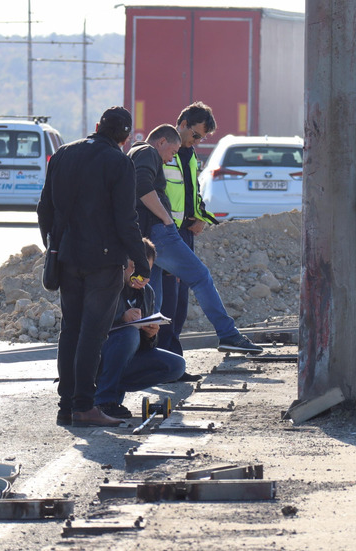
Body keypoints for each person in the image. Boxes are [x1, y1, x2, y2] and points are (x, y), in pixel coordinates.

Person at [37, 106, 152, 428]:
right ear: (126, 138)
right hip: (104, 262)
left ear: (98, 126)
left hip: (66, 257)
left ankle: (66, 406)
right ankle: (85, 406)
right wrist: (141, 261)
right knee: (92, 334)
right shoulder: (119, 162)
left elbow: (44, 207)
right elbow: (126, 219)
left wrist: (53, 245)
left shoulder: (63, 154)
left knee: (70, 330)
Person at [129, 124, 263, 355]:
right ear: (161, 142)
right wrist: (167, 220)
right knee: (200, 277)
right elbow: (142, 186)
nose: (171, 159)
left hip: (147, 234)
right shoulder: (147, 152)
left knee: (154, 300)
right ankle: (228, 335)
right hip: (159, 232)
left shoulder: (134, 152)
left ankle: (148, 353)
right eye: (172, 152)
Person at [155, 102, 221, 378]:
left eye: (202, 138)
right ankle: (164, 364)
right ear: (182, 124)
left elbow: (192, 193)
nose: (197, 141)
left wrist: (201, 216)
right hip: (165, 235)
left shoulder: (189, 154)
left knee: (179, 303)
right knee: (166, 302)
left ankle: (173, 363)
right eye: (195, 135)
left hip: (183, 234)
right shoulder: (160, 152)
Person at [94, 238, 186, 419]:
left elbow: (145, 346)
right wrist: (121, 317)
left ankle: (110, 389)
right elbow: (91, 324)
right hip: (97, 357)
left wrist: (150, 335)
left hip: (127, 356)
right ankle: (104, 400)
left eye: (145, 271)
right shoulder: (106, 285)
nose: (139, 276)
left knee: (176, 365)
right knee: (128, 334)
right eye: (134, 269)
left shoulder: (147, 292)